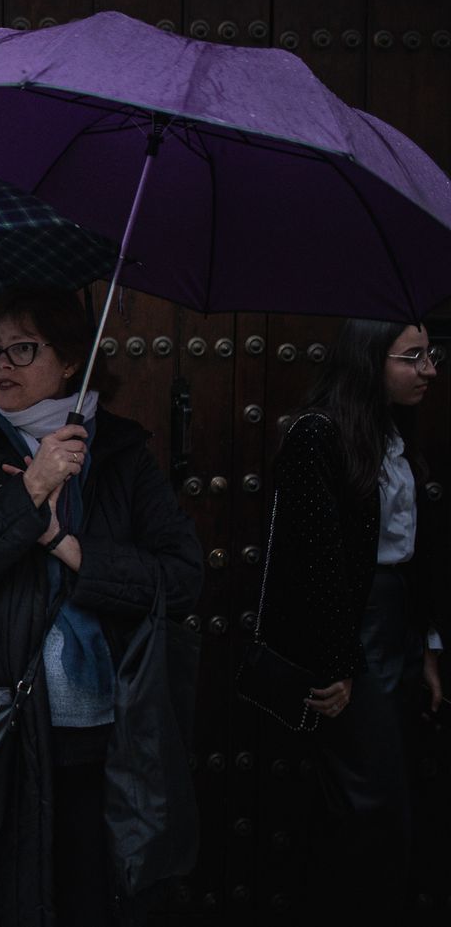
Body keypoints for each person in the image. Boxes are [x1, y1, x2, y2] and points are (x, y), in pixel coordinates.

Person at [0, 287, 202, 927]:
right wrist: (29, 490)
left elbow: (182, 578)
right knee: (5, 906)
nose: (0, 363)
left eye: (22, 349)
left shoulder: (119, 454)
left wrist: (65, 545)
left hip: (106, 734)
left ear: (69, 360)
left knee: (95, 898)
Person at [251, 319, 443, 918]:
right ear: (368, 361)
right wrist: (336, 660)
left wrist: (429, 646)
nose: (430, 370)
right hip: (352, 631)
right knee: (370, 805)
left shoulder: (395, 431)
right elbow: (312, 558)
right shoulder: (318, 436)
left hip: (397, 627)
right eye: (413, 356)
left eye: (431, 354)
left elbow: (414, 552)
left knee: (397, 798)